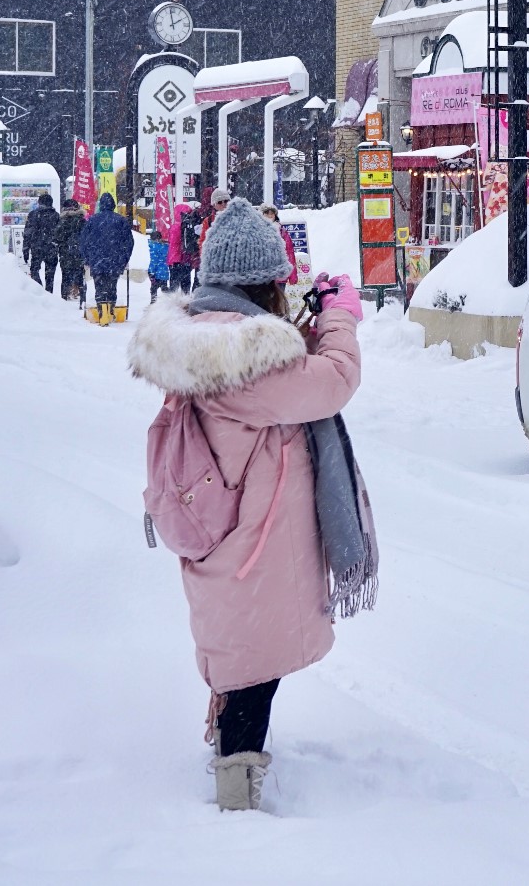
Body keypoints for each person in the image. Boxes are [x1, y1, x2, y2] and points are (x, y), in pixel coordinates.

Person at [126, 199, 374, 812]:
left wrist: (308, 334)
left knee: (243, 660)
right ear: (263, 284)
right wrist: (338, 319)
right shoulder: (246, 361)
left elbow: (289, 378)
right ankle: (236, 805)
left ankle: (231, 756)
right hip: (252, 548)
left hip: (224, 535)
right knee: (255, 672)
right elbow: (332, 380)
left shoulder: (204, 341)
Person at [80, 193, 132, 324]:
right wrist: (124, 258)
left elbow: (84, 241)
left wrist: (87, 258)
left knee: (99, 286)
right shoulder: (120, 220)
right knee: (112, 285)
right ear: (113, 205)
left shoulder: (92, 220)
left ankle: (102, 313)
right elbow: (129, 242)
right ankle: (111, 310)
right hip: (116, 260)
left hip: (97, 260)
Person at [22, 193, 61, 292]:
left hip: (36, 248)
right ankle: (48, 293)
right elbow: (60, 234)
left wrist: (26, 249)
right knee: (50, 275)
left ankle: (39, 290)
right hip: (51, 248)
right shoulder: (56, 216)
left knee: (34, 271)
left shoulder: (33, 215)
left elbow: (27, 233)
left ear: (39, 203)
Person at [259, 204, 305, 283]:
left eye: (272, 213)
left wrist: (292, 274)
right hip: (263, 277)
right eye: (267, 213)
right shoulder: (256, 231)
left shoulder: (281, 231)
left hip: (280, 276)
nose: (270, 216)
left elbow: (289, 252)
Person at [167, 197, 200, 294]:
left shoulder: (175, 227)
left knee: (174, 284)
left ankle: (173, 303)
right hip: (186, 258)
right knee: (186, 283)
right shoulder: (188, 227)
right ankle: (185, 299)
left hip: (174, 260)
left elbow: (172, 242)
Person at [56, 197, 86, 302]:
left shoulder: (62, 221)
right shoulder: (82, 220)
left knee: (65, 274)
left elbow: (57, 237)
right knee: (79, 274)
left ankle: (64, 296)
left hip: (65, 253)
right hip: (79, 252)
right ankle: (81, 296)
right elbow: (86, 237)